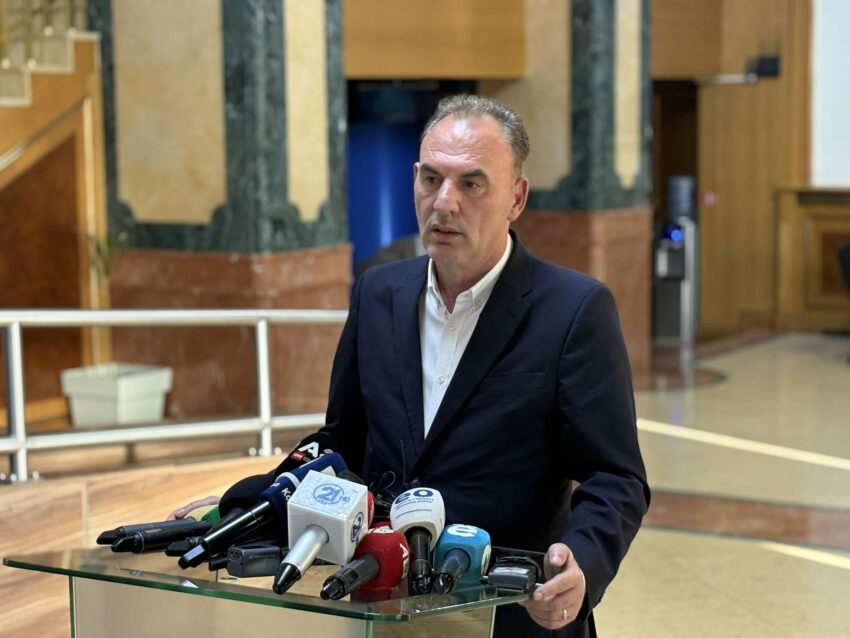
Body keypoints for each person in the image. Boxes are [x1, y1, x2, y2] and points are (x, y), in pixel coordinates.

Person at [173, 95, 649, 637]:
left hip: (513, 611)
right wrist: (249, 504)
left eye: (471, 184)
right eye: (431, 179)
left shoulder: (574, 310)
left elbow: (616, 476)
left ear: (516, 198)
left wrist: (582, 562)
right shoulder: (378, 292)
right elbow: (341, 442)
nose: (444, 202)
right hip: (382, 599)